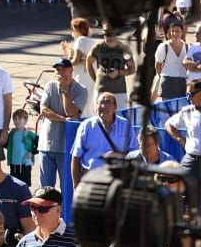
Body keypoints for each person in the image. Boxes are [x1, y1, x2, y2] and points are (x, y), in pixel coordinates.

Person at [36, 58, 89, 190]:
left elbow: (71, 112)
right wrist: (63, 119)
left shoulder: (81, 90)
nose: (61, 72)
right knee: (45, 188)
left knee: (67, 187)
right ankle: (45, 210)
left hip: (66, 147)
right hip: (46, 145)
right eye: (58, 69)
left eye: (64, 69)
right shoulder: (50, 86)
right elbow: (43, 110)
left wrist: (65, 91)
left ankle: (64, 211)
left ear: (71, 70)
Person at [164, 79, 201, 217]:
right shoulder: (187, 111)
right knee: (185, 194)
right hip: (191, 160)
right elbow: (169, 124)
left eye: (190, 94)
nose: (188, 98)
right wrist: (181, 139)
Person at [70, 92, 136, 185]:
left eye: (108, 102)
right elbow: (75, 158)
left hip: (117, 180)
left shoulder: (126, 126)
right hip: (90, 179)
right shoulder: (86, 126)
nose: (103, 106)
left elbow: (135, 153)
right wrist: (76, 185)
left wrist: (118, 155)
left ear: (115, 107)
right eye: (100, 102)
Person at [87, 25, 134, 111]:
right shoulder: (98, 47)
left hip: (119, 91)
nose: (108, 37)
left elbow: (132, 69)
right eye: (105, 34)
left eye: (110, 34)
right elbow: (88, 62)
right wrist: (96, 79)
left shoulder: (124, 49)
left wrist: (119, 72)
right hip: (101, 90)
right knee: (100, 116)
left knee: (120, 117)